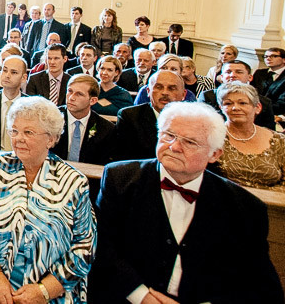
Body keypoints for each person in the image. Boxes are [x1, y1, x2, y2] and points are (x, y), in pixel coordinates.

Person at [90, 101, 284, 303]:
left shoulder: (244, 207)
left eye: (190, 142)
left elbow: (258, 284)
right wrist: (142, 296)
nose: (174, 147)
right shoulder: (120, 178)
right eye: (168, 135)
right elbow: (102, 248)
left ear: (215, 154)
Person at [0, 96, 96, 304]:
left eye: (28, 132)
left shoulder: (73, 182)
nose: (18, 139)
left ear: (51, 139)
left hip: (51, 289)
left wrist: (44, 290)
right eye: (14, 131)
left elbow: (84, 246)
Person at [215, 82, 285, 190]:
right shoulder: (212, 138)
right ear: (221, 107)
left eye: (242, 103)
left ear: (257, 107)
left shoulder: (279, 140)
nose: (235, 108)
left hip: (274, 204)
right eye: (228, 104)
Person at [116, 70, 187, 161]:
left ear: (183, 94)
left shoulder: (192, 121)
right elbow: (124, 159)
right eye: (159, 87)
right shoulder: (130, 116)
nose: (165, 92)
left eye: (171, 88)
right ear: (148, 91)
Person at [53, 74, 117, 165]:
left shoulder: (106, 129)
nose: (71, 98)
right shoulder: (51, 118)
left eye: (79, 94)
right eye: (70, 91)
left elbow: (104, 163)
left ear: (93, 100)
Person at [198, 60, 276, 130]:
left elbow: (269, 131)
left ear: (250, 77)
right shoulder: (207, 96)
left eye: (239, 72)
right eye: (228, 72)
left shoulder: (263, 102)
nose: (232, 75)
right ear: (221, 77)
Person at [252, 47, 285, 120]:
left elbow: (282, 105)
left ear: (284, 60)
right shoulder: (259, 73)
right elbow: (251, 93)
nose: (268, 58)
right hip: (254, 112)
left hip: (275, 115)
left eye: (274, 56)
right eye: (266, 56)